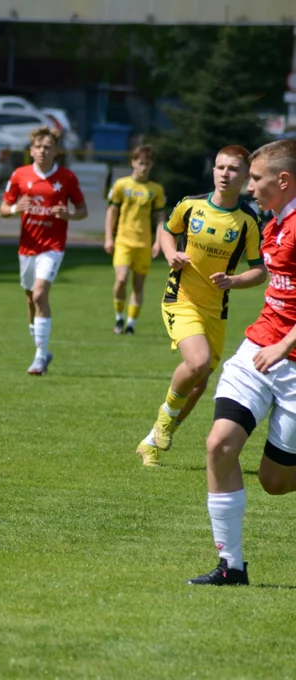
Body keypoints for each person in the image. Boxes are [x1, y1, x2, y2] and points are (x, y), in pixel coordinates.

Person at [187, 138, 296, 586]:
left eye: (256, 178)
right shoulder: (272, 222)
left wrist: (285, 346)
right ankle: (231, 565)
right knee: (219, 445)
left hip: (288, 359)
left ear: (284, 180)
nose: (248, 186)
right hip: (258, 350)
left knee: (275, 481)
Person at [136, 146, 266, 468]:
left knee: (201, 380)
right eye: (220, 167)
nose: (225, 174)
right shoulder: (191, 205)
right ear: (213, 171)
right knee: (198, 362)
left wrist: (234, 281)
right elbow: (167, 232)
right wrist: (170, 254)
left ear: (245, 176)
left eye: (233, 169)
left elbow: (259, 270)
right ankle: (164, 423)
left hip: (216, 309)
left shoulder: (248, 221)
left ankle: (152, 440)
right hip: (180, 298)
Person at [0, 126, 88, 376]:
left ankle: (39, 357)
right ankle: (41, 348)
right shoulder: (20, 175)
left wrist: (68, 214)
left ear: (55, 151)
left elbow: (83, 210)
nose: (42, 151)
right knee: (30, 298)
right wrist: (17, 208)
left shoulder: (67, 178)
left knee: (39, 295)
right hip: (27, 247)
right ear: (31, 150)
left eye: (47, 147)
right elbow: (3, 208)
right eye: (38, 147)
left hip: (53, 247)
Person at [104, 144, 166, 335]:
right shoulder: (122, 185)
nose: (143, 167)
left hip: (144, 244)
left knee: (138, 285)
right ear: (133, 162)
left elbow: (161, 218)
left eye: (147, 164)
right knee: (121, 279)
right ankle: (119, 318)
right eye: (140, 163)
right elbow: (112, 212)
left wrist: (158, 241)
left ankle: (130, 323)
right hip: (123, 241)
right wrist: (109, 238)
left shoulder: (155, 190)